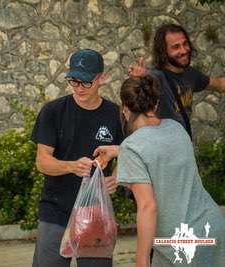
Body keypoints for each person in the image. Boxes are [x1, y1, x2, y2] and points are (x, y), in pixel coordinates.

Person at [94, 76, 225, 267]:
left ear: (125, 109)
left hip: (180, 241)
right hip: (211, 228)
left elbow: (148, 207)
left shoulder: (132, 147)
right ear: (155, 104)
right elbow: (158, 150)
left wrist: (142, 260)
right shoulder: (176, 128)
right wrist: (119, 150)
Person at [31, 49, 123, 267]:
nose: (79, 88)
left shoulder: (115, 114)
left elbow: (131, 150)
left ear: (102, 78)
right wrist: (72, 166)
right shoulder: (53, 111)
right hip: (55, 210)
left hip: (96, 212)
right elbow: (42, 161)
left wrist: (117, 177)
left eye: (86, 82)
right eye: (74, 81)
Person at [128, 23, 225, 138]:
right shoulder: (156, 78)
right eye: (176, 47)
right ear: (163, 51)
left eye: (185, 44)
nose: (184, 50)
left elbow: (220, 85)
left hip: (182, 145)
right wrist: (139, 78)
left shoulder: (190, 74)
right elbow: (136, 97)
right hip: (162, 149)